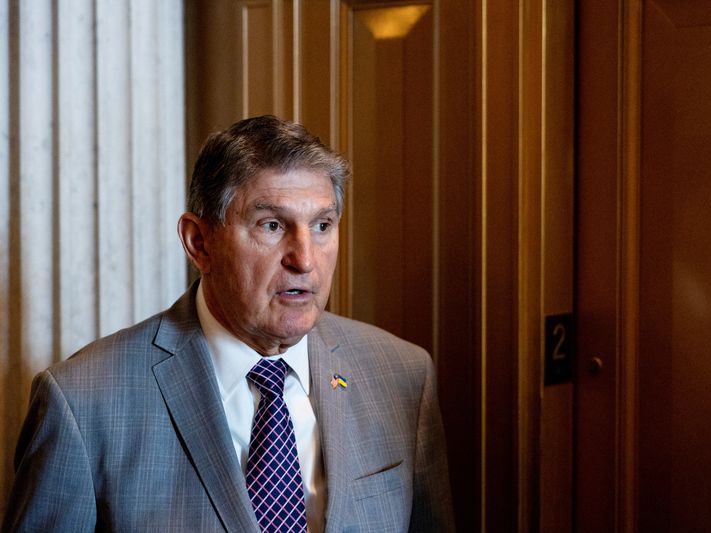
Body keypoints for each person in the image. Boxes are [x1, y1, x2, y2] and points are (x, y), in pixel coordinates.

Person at [3, 115, 455, 532]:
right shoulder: (84, 402)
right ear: (199, 242)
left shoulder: (403, 376)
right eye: (272, 225)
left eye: (322, 225)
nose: (304, 259)